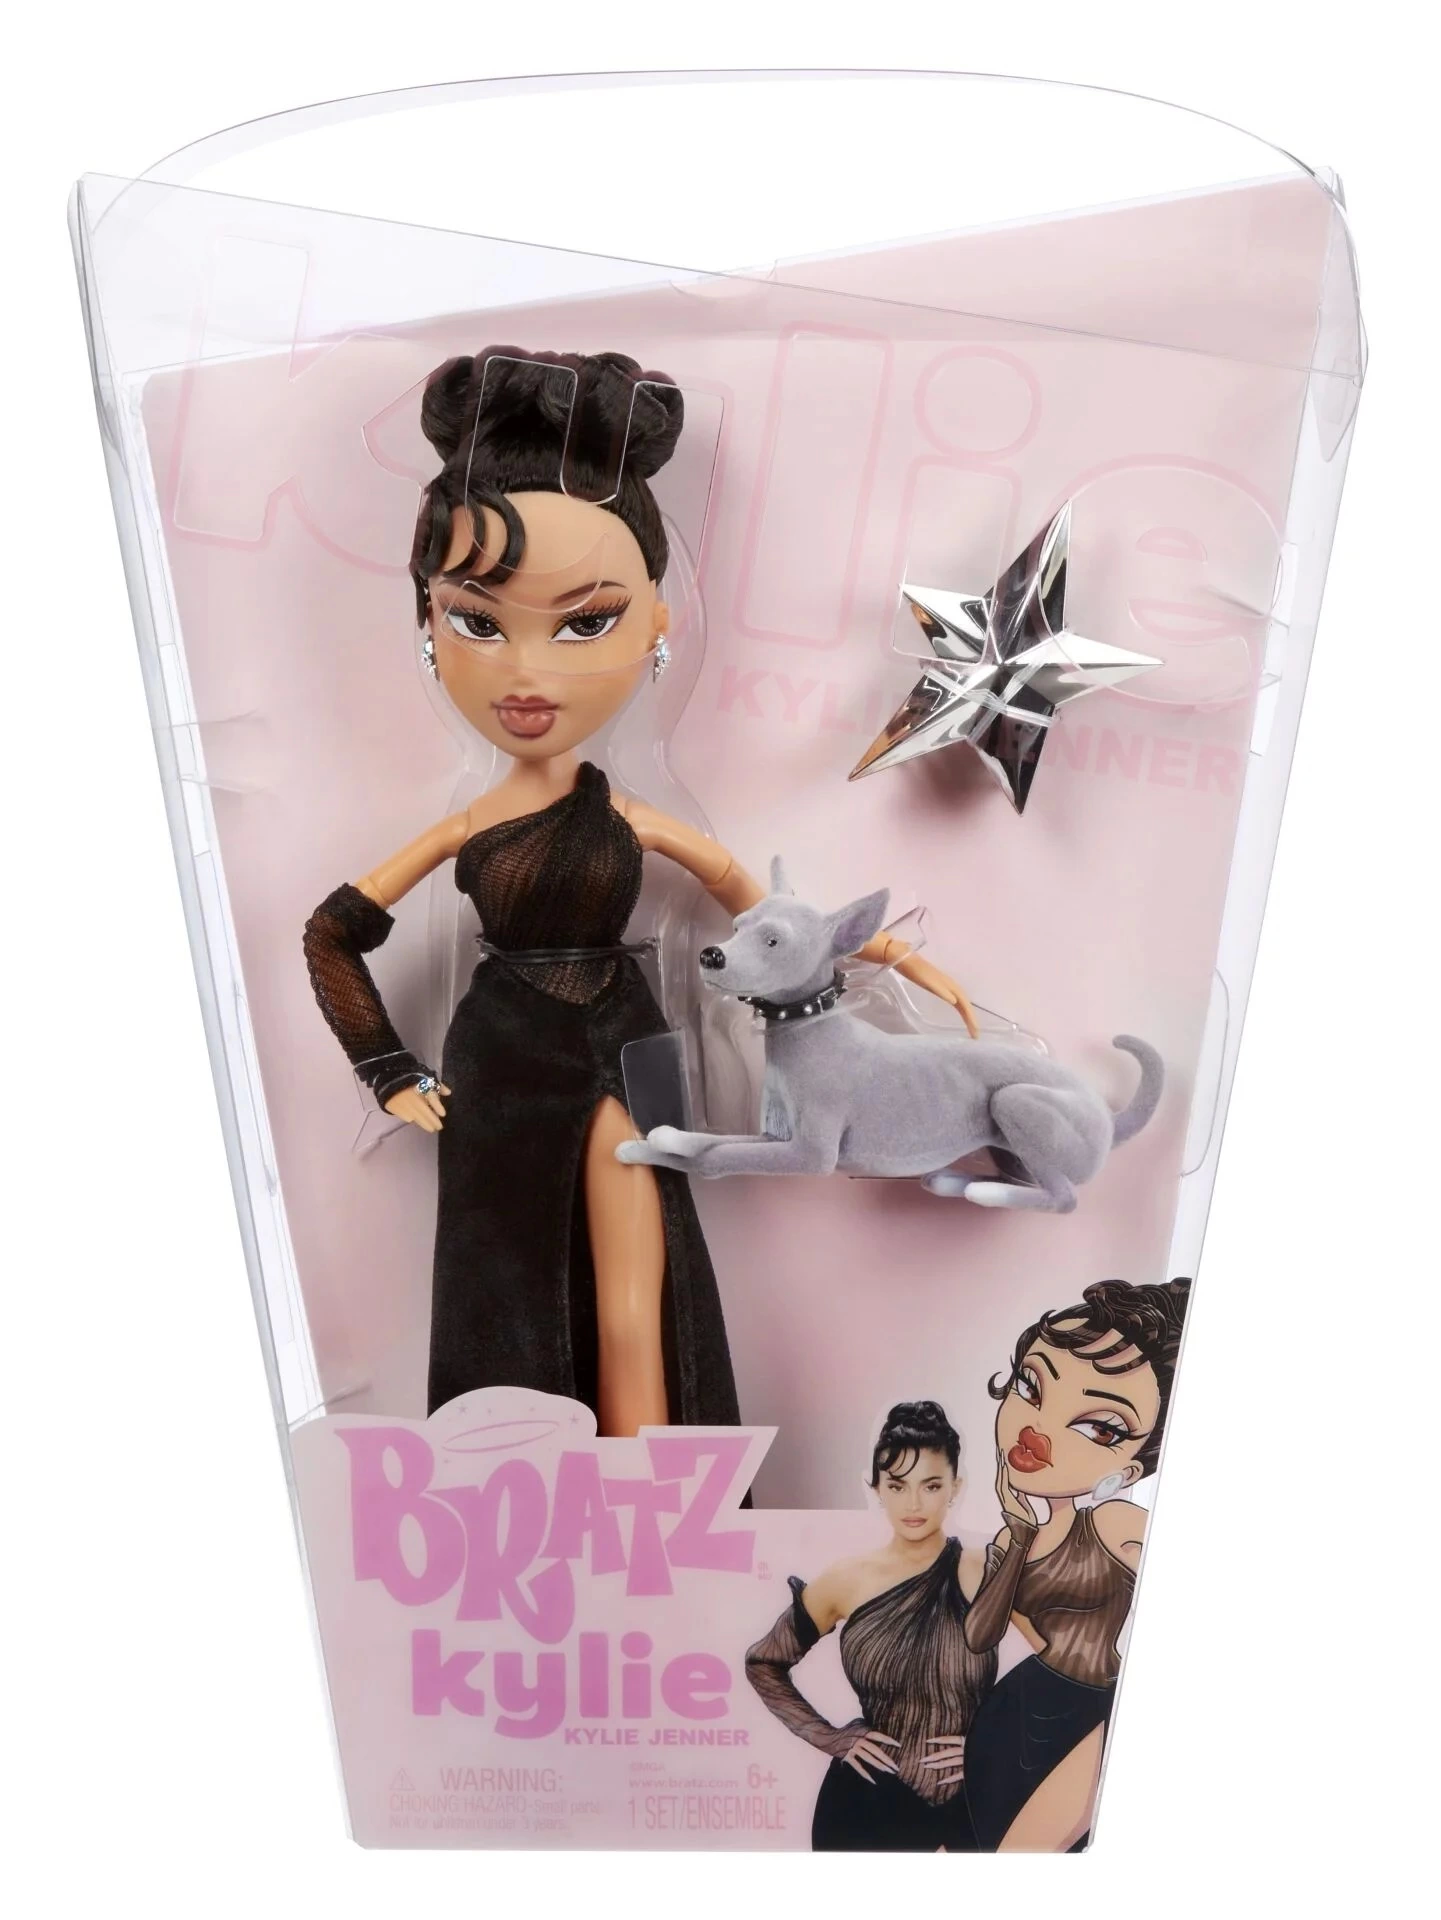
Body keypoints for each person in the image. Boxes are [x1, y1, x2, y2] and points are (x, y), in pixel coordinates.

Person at [302, 347, 978, 1434]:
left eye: (585, 621)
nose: (530, 672)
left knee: (640, 1289)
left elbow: (766, 918)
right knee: (510, 1284)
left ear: (657, 623)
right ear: (427, 621)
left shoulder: (635, 821)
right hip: (501, 1055)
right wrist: (387, 1069)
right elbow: (330, 935)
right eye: (479, 620)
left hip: (629, 1037)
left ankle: (658, 1490)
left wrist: (881, 953)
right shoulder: (468, 826)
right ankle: (535, 1483)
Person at [962, 1277, 1191, 1851]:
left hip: (1092, 1719)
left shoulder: (1117, 1524)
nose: (1038, 1430)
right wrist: (1019, 1536)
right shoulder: (1013, 1533)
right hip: (1010, 1715)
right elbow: (979, 1636)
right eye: (1031, 1386)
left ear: (1130, 1469)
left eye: (1099, 1427)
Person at [745, 1401, 996, 1850]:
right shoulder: (847, 1580)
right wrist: (830, 1737)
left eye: (931, 1485)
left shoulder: (989, 1572)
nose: (913, 1504)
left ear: (955, 1487)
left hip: (972, 1807)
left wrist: (995, 1748)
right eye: (897, 1485)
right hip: (865, 1808)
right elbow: (763, 1662)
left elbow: (1067, 1671)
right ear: (876, 1488)